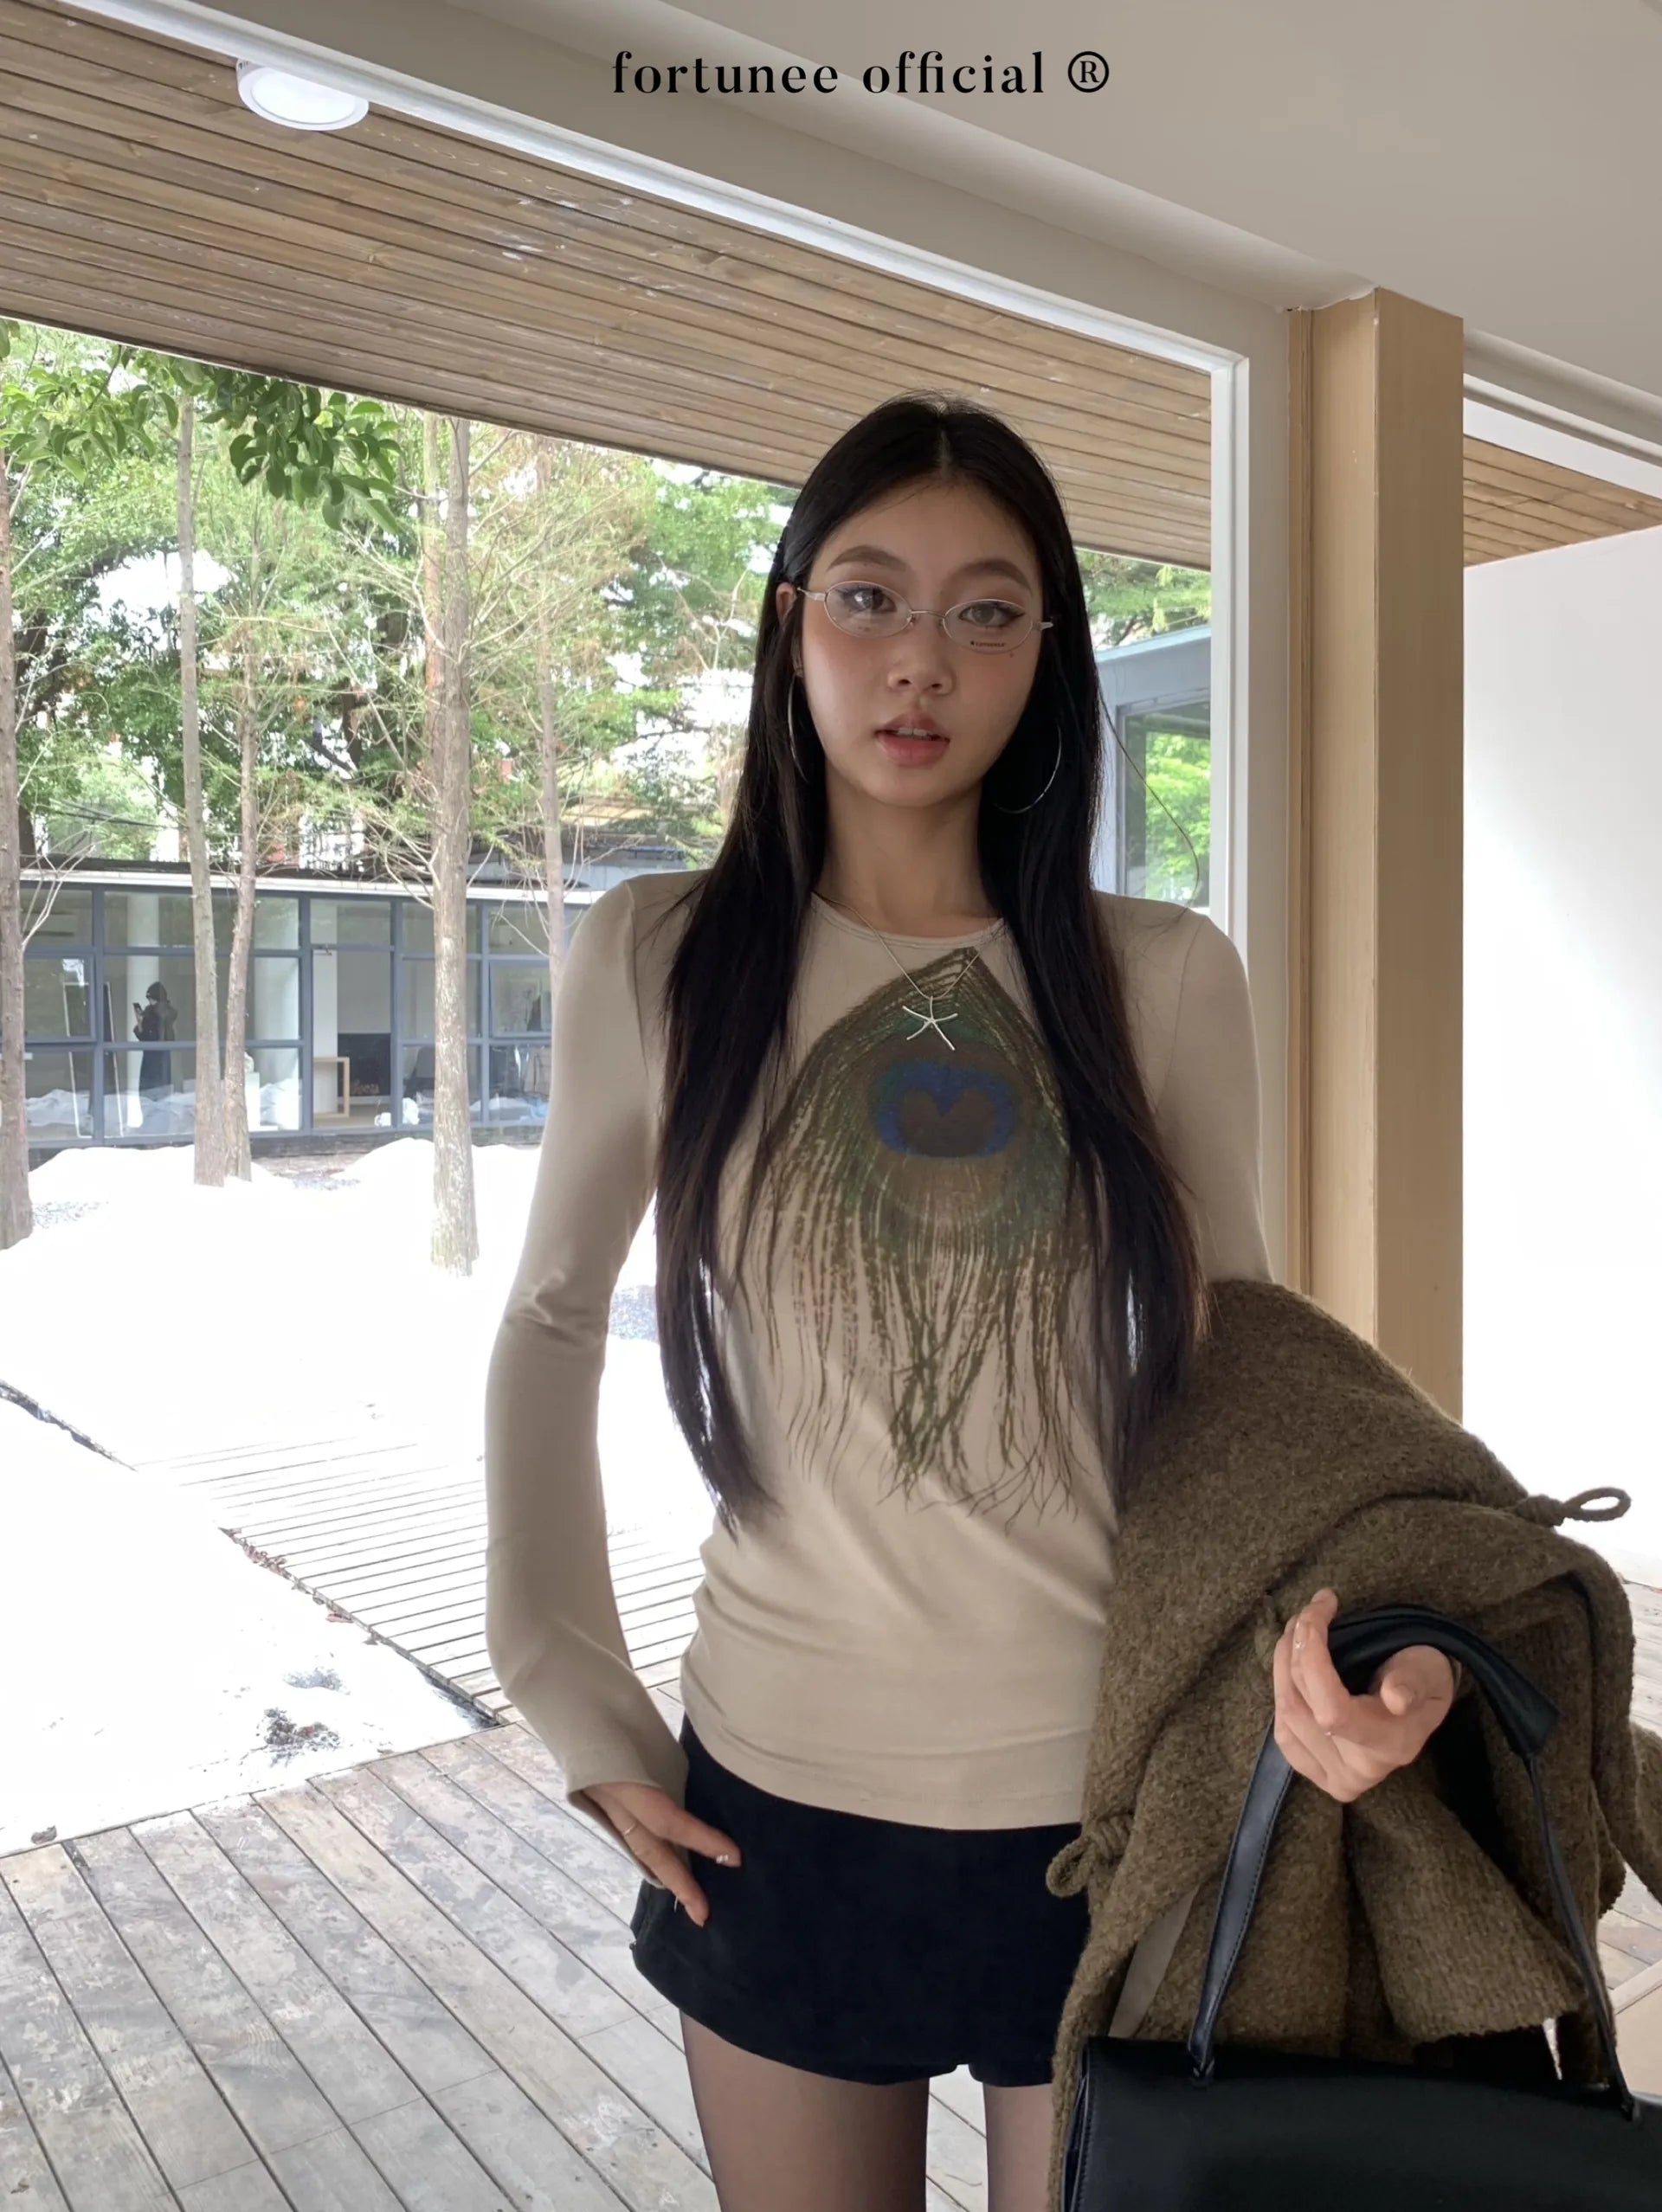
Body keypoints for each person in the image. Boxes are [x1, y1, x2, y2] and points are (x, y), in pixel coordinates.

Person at [483, 395, 1458, 2212]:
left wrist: (1378, 1642)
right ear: (792, 624)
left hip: (1111, 1808)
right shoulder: (659, 953)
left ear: (1047, 653)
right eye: (870, 597)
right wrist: (574, 1701)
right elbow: (549, 1319)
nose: (921, 660)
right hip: (770, 1805)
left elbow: (1255, 1372)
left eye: (987, 612)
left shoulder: (1161, 977)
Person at [133, 981, 177, 1117]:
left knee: (155, 1098)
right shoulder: (152, 1013)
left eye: (152, 999)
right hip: (153, 1059)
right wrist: (141, 1023)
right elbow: (146, 1037)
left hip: (157, 1060)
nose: (150, 1002)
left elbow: (160, 1036)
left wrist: (144, 1021)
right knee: (151, 1098)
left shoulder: (160, 1013)